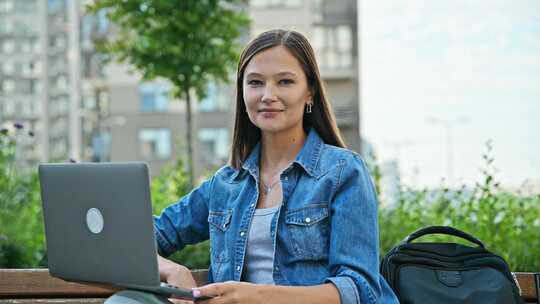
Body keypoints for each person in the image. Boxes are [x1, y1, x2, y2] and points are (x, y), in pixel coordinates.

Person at [153, 29, 399, 304]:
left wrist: (255, 295)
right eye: (255, 83)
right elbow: (145, 236)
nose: (268, 95)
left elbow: (358, 288)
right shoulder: (225, 184)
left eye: (284, 82)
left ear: (310, 93)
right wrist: (172, 270)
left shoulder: (343, 172)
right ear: (242, 92)